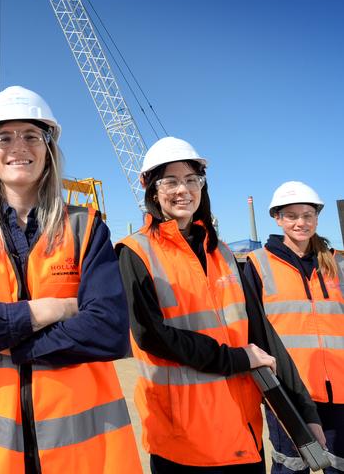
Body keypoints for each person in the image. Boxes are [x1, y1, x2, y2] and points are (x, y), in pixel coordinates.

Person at [0, 85, 142, 473]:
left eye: (31, 135)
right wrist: (47, 310)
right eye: (3, 137)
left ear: (49, 149)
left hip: (76, 454)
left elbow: (108, 330)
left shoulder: (86, 227)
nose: (17, 146)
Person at [115, 137, 325, 473]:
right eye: (170, 181)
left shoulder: (223, 253)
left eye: (191, 180)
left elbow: (262, 334)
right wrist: (236, 358)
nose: (183, 190)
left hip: (243, 435)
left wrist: (304, 410)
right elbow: (150, 335)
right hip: (182, 441)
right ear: (151, 189)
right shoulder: (134, 252)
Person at [245, 181, 344, 473]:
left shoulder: (337, 263)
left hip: (339, 391)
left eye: (308, 215)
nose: (301, 222)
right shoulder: (258, 263)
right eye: (291, 215)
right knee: (291, 466)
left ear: (317, 217)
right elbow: (255, 330)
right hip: (288, 390)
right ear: (277, 218)